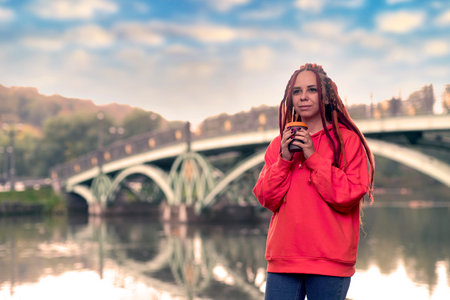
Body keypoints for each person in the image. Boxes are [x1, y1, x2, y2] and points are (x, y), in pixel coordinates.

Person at [253, 63, 375, 300]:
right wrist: (284, 160)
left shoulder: (347, 141)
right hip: (283, 262)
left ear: (327, 97)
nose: (303, 97)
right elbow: (267, 198)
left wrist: (312, 156)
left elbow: (349, 195)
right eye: (296, 92)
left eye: (312, 90)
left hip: (329, 263)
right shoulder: (279, 144)